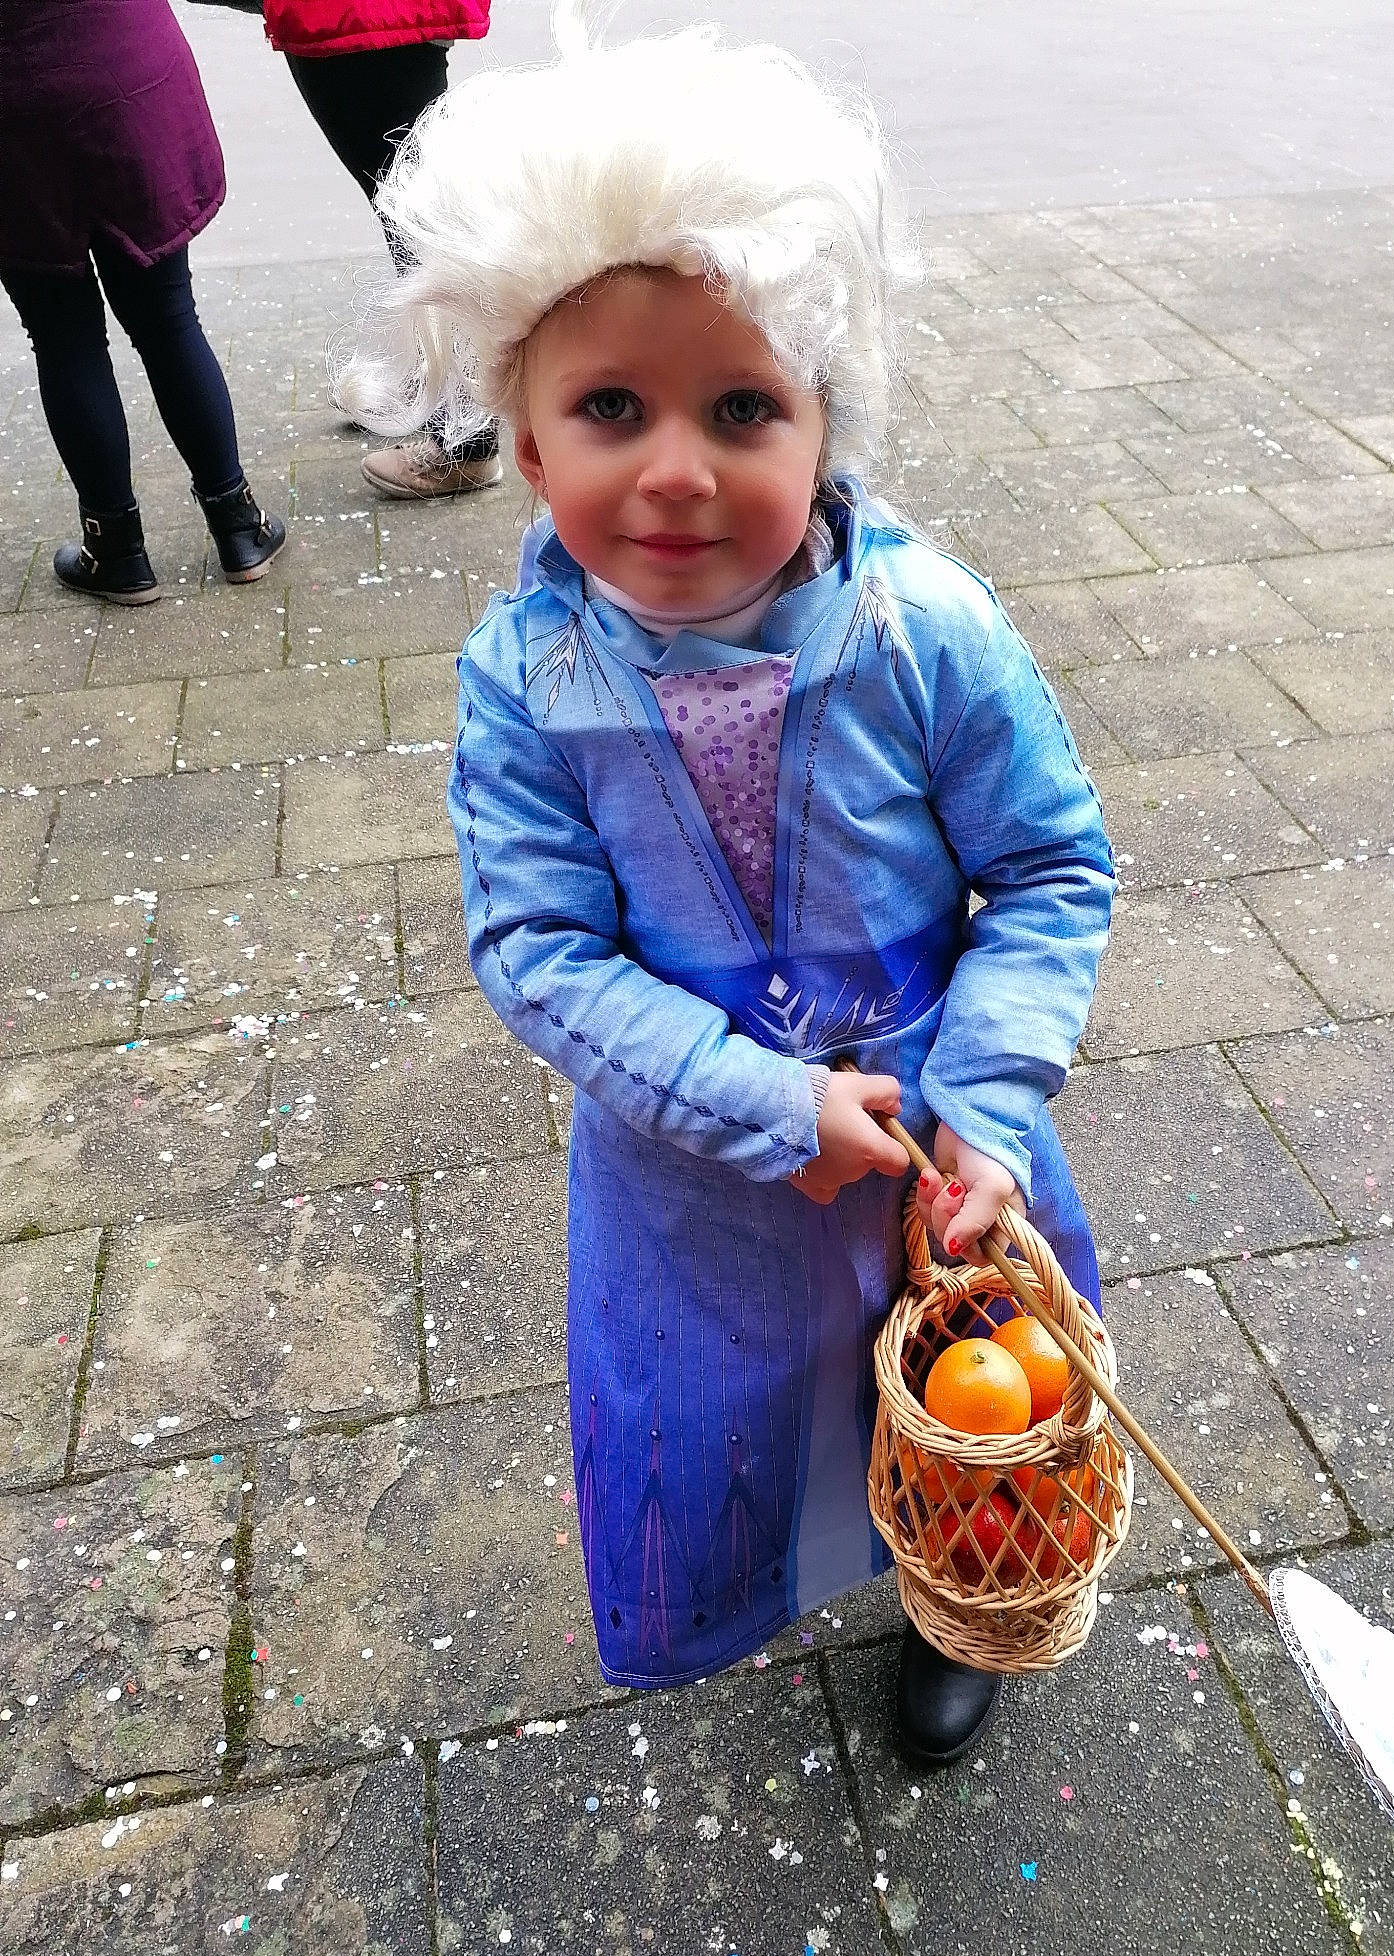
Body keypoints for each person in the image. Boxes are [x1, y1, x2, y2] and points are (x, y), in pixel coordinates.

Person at [344, 1, 1115, 1765]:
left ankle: (959, 1596)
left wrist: (985, 1105)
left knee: (964, 1395)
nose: (677, 466)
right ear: (525, 446)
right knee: (744, 1409)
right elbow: (539, 950)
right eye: (611, 405)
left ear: (826, 428)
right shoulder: (520, 681)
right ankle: (779, 1571)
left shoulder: (932, 632)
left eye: (742, 406)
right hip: (697, 1175)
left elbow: (1052, 862)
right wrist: (762, 1098)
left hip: (943, 1157)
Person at [0, 0, 284, 605]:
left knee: (63, 339)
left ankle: (118, 551)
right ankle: (239, 528)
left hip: (16, 97)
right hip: (122, 68)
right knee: (168, 318)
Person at [263, 0, 501, 500]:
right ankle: (443, 396)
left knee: (420, 223)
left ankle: (467, 442)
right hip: (366, 15)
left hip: (359, 16)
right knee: (417, 210)